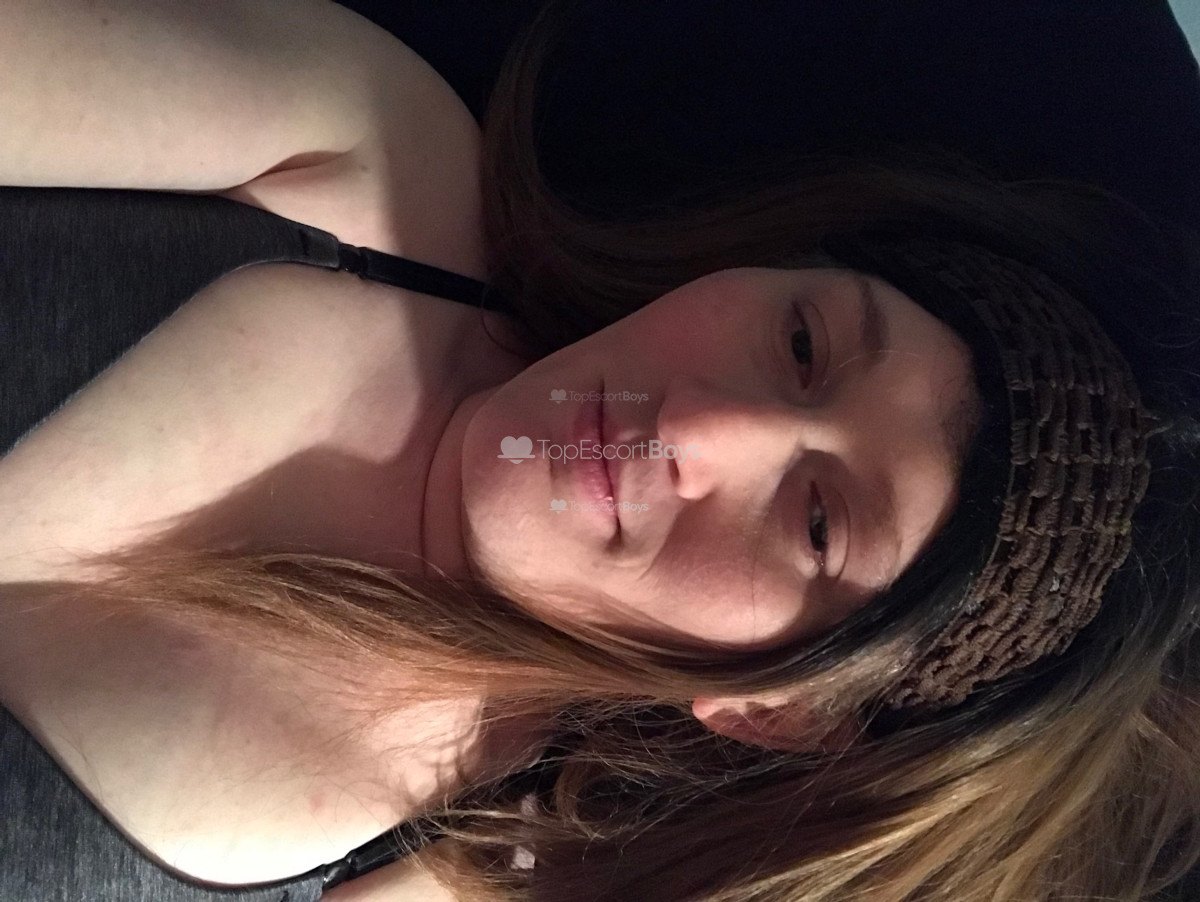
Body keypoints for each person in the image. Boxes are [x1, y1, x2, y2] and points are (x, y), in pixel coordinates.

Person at [2, 2, 1199, 901]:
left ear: (776, 711)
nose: (701, 428)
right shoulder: (361, 156)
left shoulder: (458, 860)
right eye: (801, 342)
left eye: (817, 520)